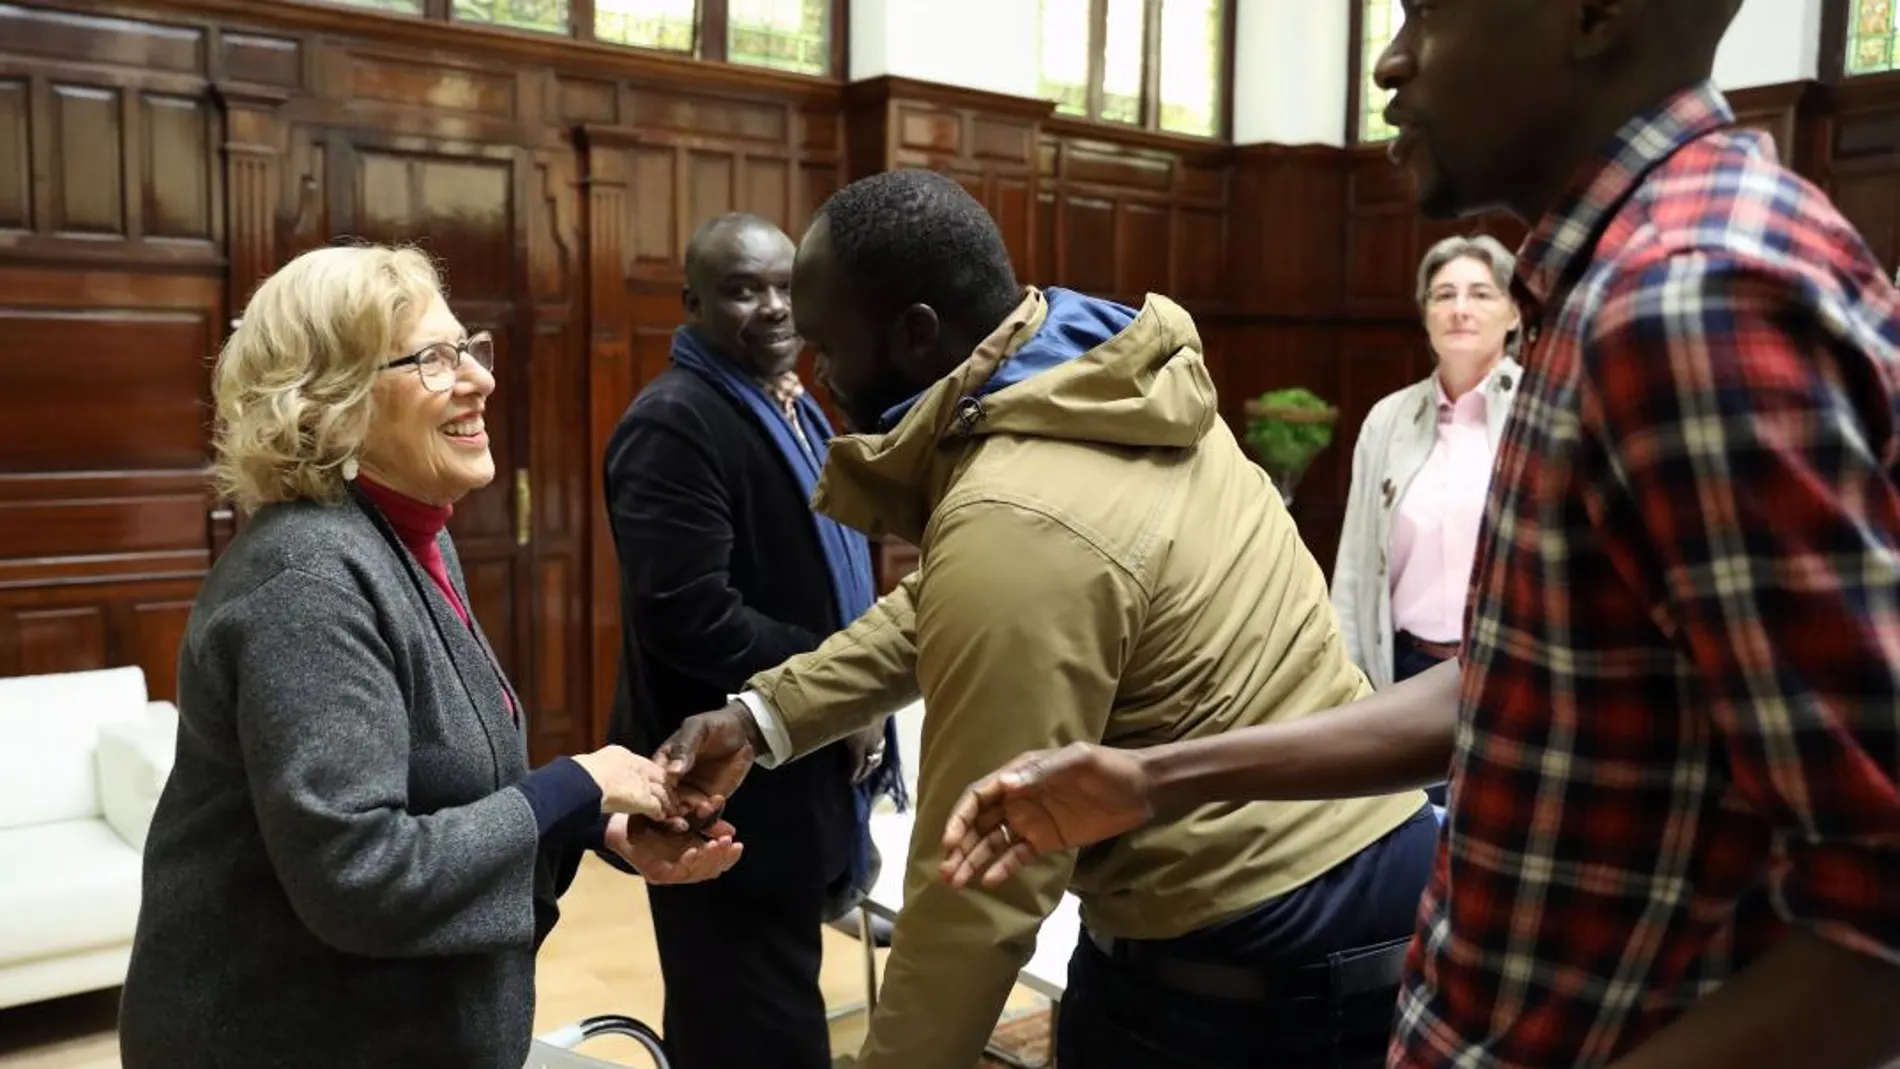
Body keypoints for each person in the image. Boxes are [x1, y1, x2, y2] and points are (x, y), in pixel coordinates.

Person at [940, 3, 1900, 1069]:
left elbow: (1873, 909)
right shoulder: (1613, 285)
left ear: (1591, 16)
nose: (1391, 61)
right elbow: (1516, 685)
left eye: (1430, 12)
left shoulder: (1684, 299)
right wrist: (1158, 775)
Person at [658, 169, 1439, 1069]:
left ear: (914, 334)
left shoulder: (1017, 514)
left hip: (1251, 950)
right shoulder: (1108, 381)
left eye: (829, 344)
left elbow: (977, 880)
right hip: (1373, 863)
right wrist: (765, 715)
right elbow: (948, 597)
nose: (816, 370)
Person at [118, 244, 741, 1069]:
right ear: (330, 398)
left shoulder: (409, 543)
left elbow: (441, 795)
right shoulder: (307, 580)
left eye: (469, 348)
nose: (479, 378)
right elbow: (362, 876)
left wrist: (596, 825)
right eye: (434, 359)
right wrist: (575, 783)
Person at [602, 212, 903, 1069]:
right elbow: (689, 613)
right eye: (743, 290)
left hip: (789, 777)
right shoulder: (675, 421)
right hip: (722, 795)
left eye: (786, 287)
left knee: (768, 1015)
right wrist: (841, 684)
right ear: (694, 302)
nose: (773, 308)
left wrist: (857, 684)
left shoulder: (798, 405)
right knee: (749, 1032)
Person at [1332, 235, 1521, 694]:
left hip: (1507, 667)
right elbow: (1355, 569)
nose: (1460, 308)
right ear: (1426, 313)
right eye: (1444, 294)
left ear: (1514, 312)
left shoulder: (1537, 408)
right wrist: (1348, 684)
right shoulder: (1387, 418)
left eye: (1480, 293)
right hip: (1404, 665)